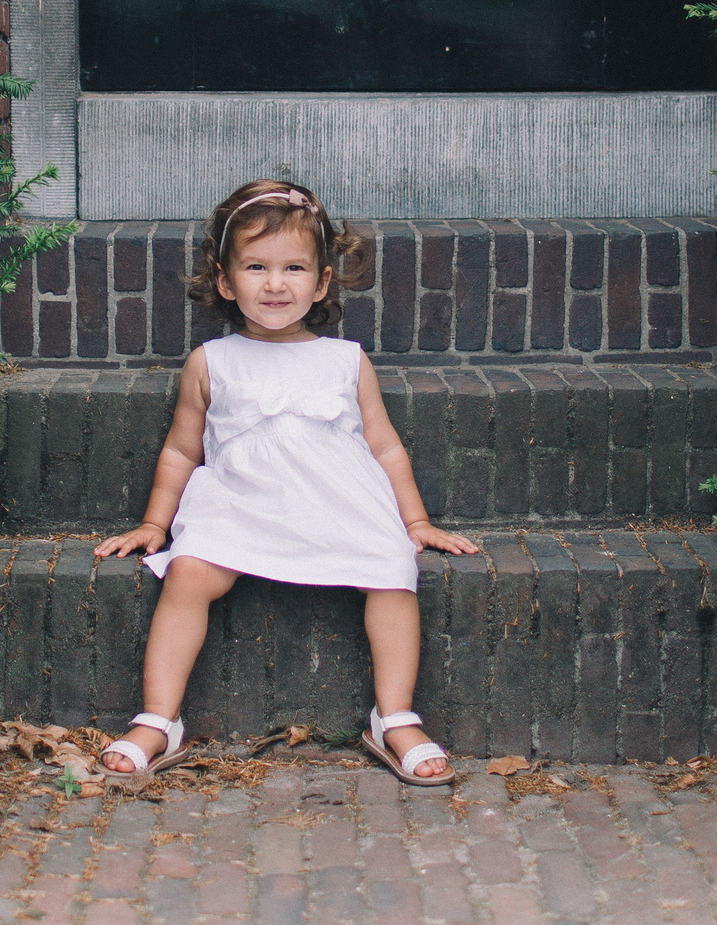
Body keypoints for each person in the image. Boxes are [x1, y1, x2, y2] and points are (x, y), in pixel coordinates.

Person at [92, 179, 481, 787]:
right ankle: (158, 718)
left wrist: (416, 523)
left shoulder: (344, 359)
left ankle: (395, 717)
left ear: (322, 281)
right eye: (256, 267)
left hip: (339, 502)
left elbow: (384, 445)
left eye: (294, 267)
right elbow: (179, 451)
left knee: (391, 570)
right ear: (225, 280)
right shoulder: (211, 362)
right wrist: (154, 524)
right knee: (189, 572)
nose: (276, 284)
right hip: (242, 502)